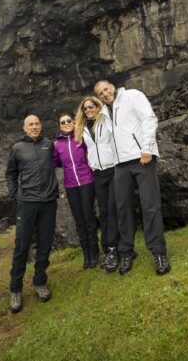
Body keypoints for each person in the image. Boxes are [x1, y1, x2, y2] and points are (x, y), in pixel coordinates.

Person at [94, 80, 171, 276]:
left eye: (106, 89)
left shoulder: (132, 96)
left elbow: (149, 119)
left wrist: (147, 148)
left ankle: (159, 252)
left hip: (141, 159)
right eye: (100, 93)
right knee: (123, 210)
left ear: (113, 87)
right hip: (120, 166)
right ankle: (126, 252)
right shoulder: (104, 113)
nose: (104, 93)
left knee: (150, 206)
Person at [6, 115, 59, 313]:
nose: (35, 127)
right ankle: (15, 289)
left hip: (48, 202)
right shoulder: (17, 149)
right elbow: (10, 173)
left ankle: (39, 282)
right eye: (31, 124)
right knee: (22, 245)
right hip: (27, 203)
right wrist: (16, 194)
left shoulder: (49, 145)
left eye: (37, 124)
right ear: (24, 128)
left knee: (45, 244)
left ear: (41, 126)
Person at [74, 96, 120, 273]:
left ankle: (119, 247)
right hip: (98, 174)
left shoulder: (106, 120)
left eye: (91, 106)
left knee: (115, 208)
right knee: (105, 211)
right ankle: (109, 249)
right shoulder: (82, 128)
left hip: (113, 169)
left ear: (97, 106)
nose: (88, 110)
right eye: (85, 108)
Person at [52, 112, 99, 269]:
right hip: (70, 185)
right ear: (59, 126)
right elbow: (54, 162)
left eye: (68, 121)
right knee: (79, 220)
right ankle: (86, 254)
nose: (66, 123)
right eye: (62, 122)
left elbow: (93, 151)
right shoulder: (57, 144)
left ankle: (95, 252)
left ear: (73, 121)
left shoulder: (81, 136)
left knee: (89, 216)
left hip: (87, 181)